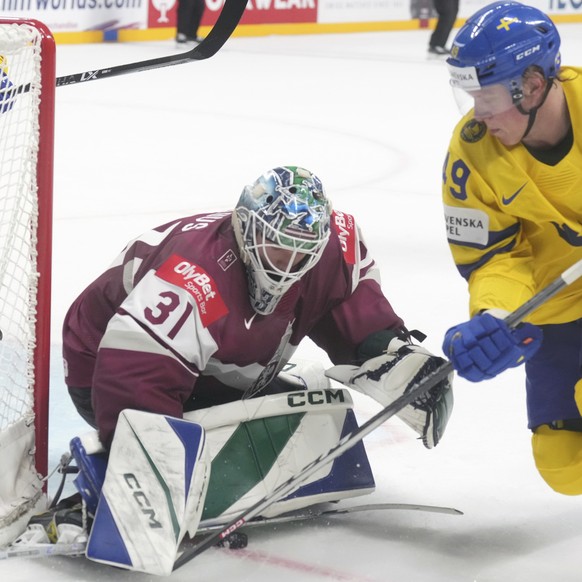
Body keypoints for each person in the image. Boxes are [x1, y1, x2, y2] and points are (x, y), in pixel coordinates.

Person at [37, 166, 453, 573]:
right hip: (102, 367)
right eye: (277, 246)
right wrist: (148, 480)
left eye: (301, 251)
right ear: (246, 227)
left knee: (310, 410)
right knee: (184, 431)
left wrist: (396, 356)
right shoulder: (195, 276)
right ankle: (90, 500)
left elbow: (351, 307)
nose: (287, 265)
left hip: (221, 364)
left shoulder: (332, 248)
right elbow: (135, 374)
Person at [440, 2, 582, 495]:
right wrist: (495, 315)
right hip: (560, 305)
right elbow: (493, 255)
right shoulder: (472, 152)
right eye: (470, 97)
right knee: (564, 466)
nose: (479, 114)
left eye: (488, 97)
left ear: (534, 86)